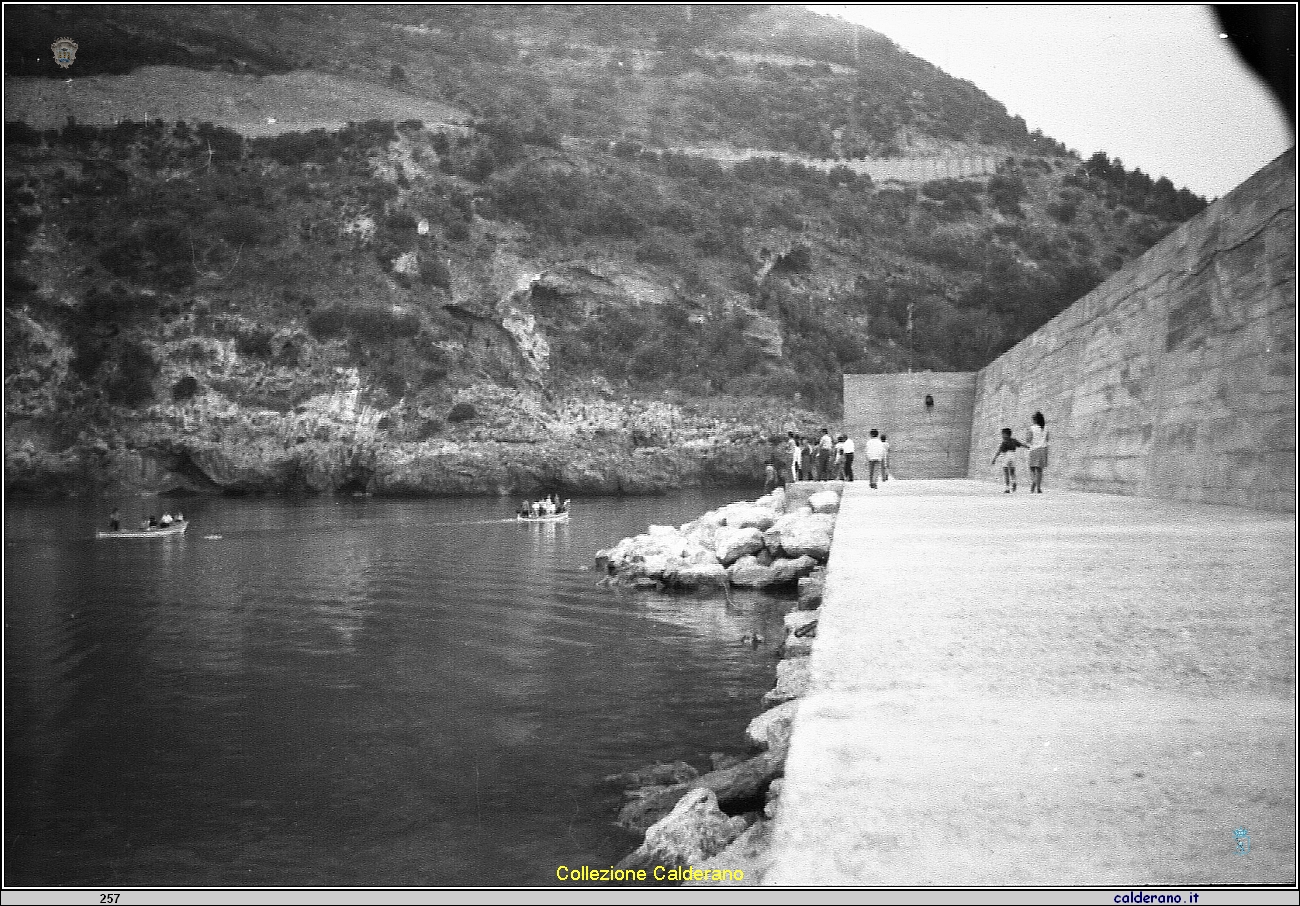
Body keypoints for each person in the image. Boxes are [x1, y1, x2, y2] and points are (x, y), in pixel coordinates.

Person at [991, 427, 1027, 492]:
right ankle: (1014, 481)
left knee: (1006, 472)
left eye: (1002, 434)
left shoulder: (1004, 442)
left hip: (1006, 456)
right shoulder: (1014, 440)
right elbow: (1021, 444)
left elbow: (999, 451)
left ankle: (1007, 488)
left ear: (1006, 434)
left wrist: (994, 459)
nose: (1002, 436)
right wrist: (1027, 446)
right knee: (1012, 471)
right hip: (1013, 455)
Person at [1027, 411, 1050, 493]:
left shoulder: (1031, 428)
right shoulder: (1046, 428)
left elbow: (1028, 440)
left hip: (1034, 449)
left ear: (1035, 420)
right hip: (1043, 449)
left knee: (1032, 468)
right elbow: (1047, 439)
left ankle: (1034, 481)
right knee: (1040, 470)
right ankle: (1039, 488)